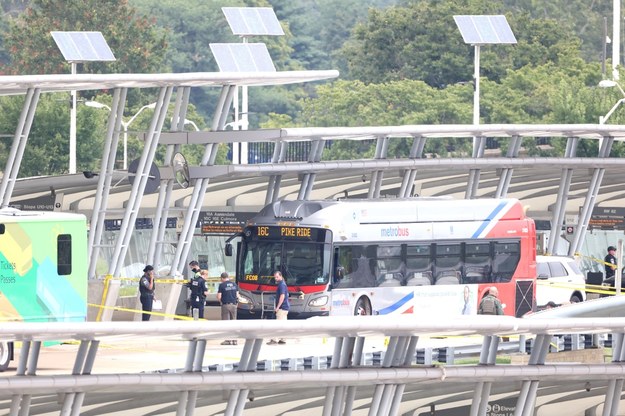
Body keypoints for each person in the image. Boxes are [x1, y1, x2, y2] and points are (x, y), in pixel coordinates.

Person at [267, 271, 290, 345]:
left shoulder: (281, 285)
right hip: (285, 307)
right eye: (275, 277)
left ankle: (274, 340)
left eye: (277, 277)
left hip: (282, 308)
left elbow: (282, 296)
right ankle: (283, 339)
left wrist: (277, 307)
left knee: (277, 324)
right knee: (283, 325)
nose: (276, 279)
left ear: (280, 276)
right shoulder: (283, 284)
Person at [217, 272, 239, 345]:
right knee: (234, 322)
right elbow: (237, 295)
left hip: (225, 305)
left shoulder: (222, 285)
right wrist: (236, 303)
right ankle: (235, 340)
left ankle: (228, 340)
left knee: (226, 323)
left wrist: (221, 302)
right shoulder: (235, 284)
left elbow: (219, 296)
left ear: (222, 278)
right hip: (234, 305)